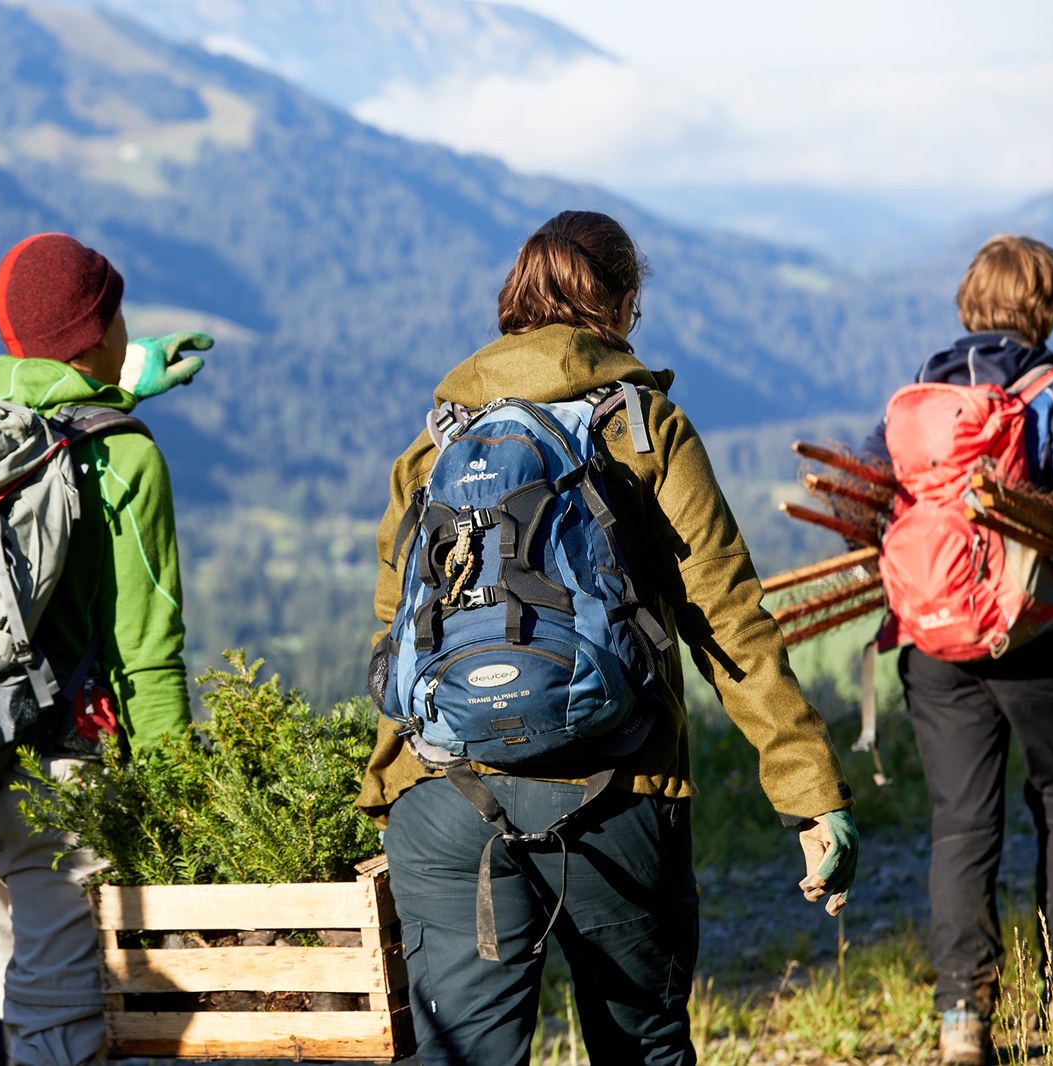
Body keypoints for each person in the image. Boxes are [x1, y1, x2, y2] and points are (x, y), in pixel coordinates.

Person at [359, 209, 860, 1066]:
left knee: (461, 1058)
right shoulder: (643, 426)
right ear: (623, 306)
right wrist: (810, 790)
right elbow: (726, 616)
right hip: (616, 784)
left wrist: (387, 785)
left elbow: (396, 627)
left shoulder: (434, 443)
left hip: (445, 797)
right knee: (642, 1048)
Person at [0, 232, 210, 1066]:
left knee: (17, 993)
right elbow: (147, 657)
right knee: (67, 1020)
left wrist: (118, 378)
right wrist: (182, 807)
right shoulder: (124, 458)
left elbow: (56, 418)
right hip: (48, 773)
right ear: (101, 330)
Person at [860, 234, 1053, 1066]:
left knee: (960, 825)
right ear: (1046, 307)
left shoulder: (922, 395)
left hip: (934, 641)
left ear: (969, 302)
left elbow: (870, 499)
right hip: (1038, 636)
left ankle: (962, 1016)